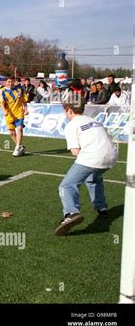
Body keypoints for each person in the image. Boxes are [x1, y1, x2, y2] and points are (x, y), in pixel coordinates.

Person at [55, 98, 118, 236]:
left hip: (93, 156)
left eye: (66, 111)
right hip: (112, 155)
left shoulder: (72, 125)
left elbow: (75, 152)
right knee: (93, 178)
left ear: (69, 110)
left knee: (67, 185)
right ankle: (101, 208)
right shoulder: (94, 120)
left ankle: (71, 213)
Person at [0, 76, 28, 157]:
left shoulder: (19, 89)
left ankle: (17, 147)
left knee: (19, 129)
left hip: (18, 112)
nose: (10, 83)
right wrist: (4, 111)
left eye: (12, 81)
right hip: (9, 114)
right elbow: (1, 103)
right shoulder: (2, 91)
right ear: (5, 82)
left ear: (14, 82)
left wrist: (26, 109)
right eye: (9, 81)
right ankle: (20, 146)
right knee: (11, 133)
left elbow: (24, 101)